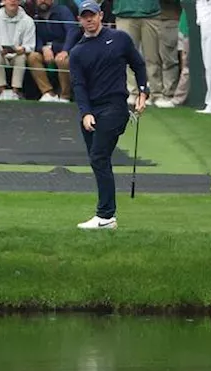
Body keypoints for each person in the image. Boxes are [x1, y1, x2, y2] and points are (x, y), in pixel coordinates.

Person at [68, 0, 146, 230]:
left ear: (101, 15)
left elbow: (138, 65)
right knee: (98, 159)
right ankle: (106, 214)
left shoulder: (119, 39)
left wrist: (143, 92)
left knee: (99, 158)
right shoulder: (77, 52)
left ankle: (106, 216)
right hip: (92, 110)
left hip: (115, 107)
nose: (89, 19)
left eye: (92, 15)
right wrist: (85, 113)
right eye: (85, 16)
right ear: (79, 20)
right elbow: (79, 86)